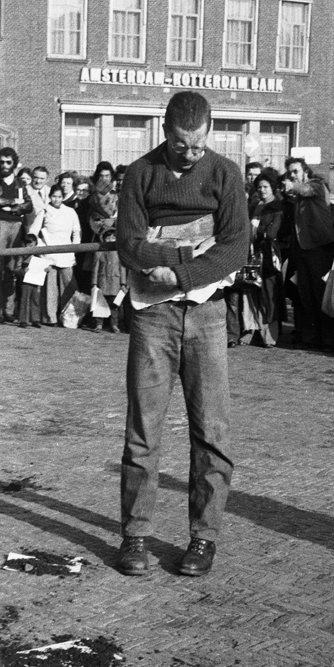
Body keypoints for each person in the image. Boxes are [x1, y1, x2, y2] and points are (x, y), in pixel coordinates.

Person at [116, 90, 249, 578]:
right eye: (179, 144)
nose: (189, 153)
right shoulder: (141, 174)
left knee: (211, 430)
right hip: (153, 315)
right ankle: (135, 535)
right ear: (164, 131)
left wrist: (178, 269)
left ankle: (203, 537)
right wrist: (184, 258)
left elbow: (235, 248)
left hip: (207, 314)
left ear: (209, 133)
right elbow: (130, 245)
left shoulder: (224, 175)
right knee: (144, 429)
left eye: (197, 145)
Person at [281, 157, 334, 351]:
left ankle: (329, 340)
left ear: (305, 171)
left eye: (295, 171)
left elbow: (305, 189)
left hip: (319, 247)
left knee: (320, 294)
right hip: (303, 249)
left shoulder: (316, 184)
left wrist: (292, 185)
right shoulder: (297, 191)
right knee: (305, 295)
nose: (292, 175)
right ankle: (311, 337)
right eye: (290, 173)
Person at [0, 147, 34, 323]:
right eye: (1, 162)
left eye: (8, 162)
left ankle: (9, 310)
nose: (4, 165)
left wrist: (12, 207)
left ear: (14, 163)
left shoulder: (20, 182)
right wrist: (15, 202)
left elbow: (28, 205)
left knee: (11, 269)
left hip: (17, 226)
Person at [238, 172, 285, 348]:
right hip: (253, 254)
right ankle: (252, 330)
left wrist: (258, 233)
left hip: (268, 256)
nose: (262, 190)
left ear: (272, 188)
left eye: (266, 187)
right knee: (252, 292)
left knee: (268, 294)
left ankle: (269, 335)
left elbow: (272, 233)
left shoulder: (276, 207)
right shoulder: (257, 205)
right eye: (259, 187)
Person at [39, 183, 81, 326]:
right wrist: (42, 248)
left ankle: (69, 317)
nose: (56, 199)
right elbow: (38, 231)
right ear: (50, 196)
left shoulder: (70, 211)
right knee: (50, 288)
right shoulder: (44, 210)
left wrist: (74, 249)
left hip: (66, 254)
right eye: (54, 196)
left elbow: (76, 232)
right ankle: (50, 317)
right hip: (49, 254)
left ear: (63, 197)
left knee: (68, 286)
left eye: (59, 197)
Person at [91, 226, 127, 333]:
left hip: (116, 282)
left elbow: (123, 269)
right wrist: (94, 283)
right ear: (103, 239)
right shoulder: (99, 252)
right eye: (108, 238)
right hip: (103, 281)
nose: (111, 240)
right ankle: (99, 324)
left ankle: (114, 325)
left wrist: (123, 283)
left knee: (115, 305)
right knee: (100, 304)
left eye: (113, 238)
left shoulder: (119, 253)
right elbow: (95, 269)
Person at [16, 233, 47, 328]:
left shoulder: (38, 255)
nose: (31, 247)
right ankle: (23, 320)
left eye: (33, 245)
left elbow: (43, 266)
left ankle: (35, 319)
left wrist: (47, 269)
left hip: (36, 280)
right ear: (24, 245)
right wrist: (23, 271)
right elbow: (16, 269)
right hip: (25, 281)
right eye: (29, 245)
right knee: (24, 299)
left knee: (35, 299)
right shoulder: (21, 256)